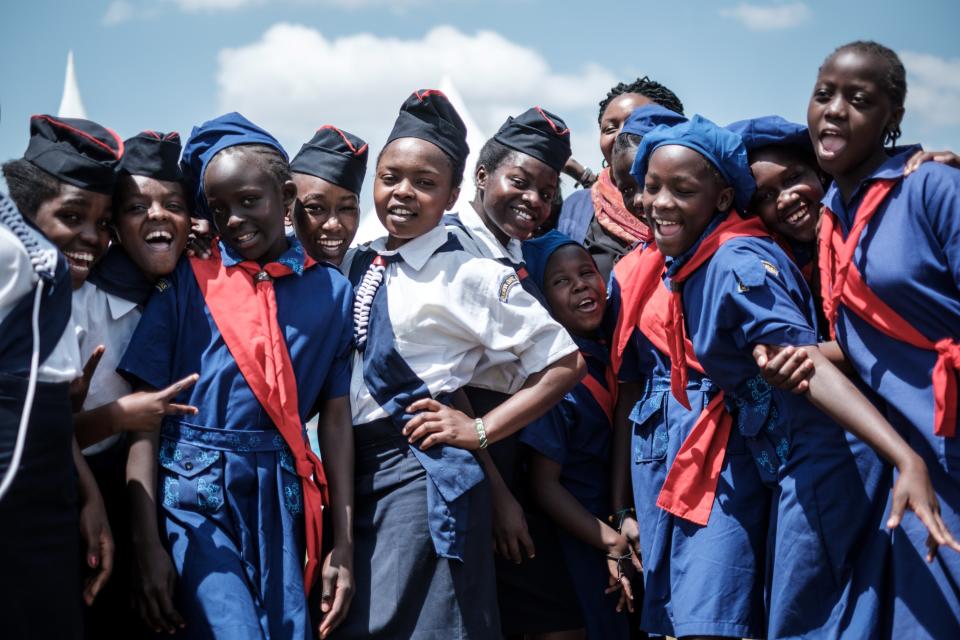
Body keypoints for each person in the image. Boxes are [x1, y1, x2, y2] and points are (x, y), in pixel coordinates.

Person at [631, 113, 955, 638]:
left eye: (682, 189)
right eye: (652, 188)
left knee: (814, 618)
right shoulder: (705, 261)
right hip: (789, 458)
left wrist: (904, 456)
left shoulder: (734, 264)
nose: (662, 203)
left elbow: (803, 365)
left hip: (824, 455)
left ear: (718, 200)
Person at [336, 89, 585, 639]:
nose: (403, 193)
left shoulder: (469, 271)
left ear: (451, 194)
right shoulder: (364, 257)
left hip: (421, 475)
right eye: (390, 176)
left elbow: (566, 362)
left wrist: (478, 430)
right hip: (359, 471)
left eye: (424, 183)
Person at [119, 112, 355, 639]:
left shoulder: (333, 293)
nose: (234, 220)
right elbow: (145, 417)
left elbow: (335, 421)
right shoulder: (189, 276)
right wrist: (146, 543)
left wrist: (344, 544)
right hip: (191, 497)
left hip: (281, 498)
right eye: (218, 209)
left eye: (250, 200)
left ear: (288, 195)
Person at [809, 40, 960, 638]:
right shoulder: (829, 216)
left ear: (892, 118)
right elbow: (871, 342)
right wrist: (794, 354)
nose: (836, 110)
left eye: (859, 99)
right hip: (907, 460)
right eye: (824, 95)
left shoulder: (932, 190)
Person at [446, 106, 587, 638]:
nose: (536, 202)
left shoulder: (510, 251)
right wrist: (499, 491)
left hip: (510, 448)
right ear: (482, 177)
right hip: (479, 452)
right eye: (521, 183)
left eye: (548, 193)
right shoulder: (453, 251)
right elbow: (447, 386)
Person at [67, 130, 198, 638]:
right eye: (136, 207)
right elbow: (38, 433)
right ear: (116, 228)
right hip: (80, 492)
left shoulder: (195, 289)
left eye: (174, 204)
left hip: (172, 498)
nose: (157, 215)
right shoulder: (80, 300)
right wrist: (119, 416)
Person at [0, 114, 121, 638]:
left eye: (104, 222)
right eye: (72, 215)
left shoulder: (48, 283)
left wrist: (88, 495)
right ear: (26, 210)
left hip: (51, 514)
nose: (90, 238)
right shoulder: (22, 263)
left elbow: (38, 413)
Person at [520, 231, 632, 640]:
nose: (580, 284)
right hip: (582, 539)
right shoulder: (554, 381)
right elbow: (544, 486)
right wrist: (611, 543)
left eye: (586, 272)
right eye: (560, 281)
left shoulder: (610, 355)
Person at [556, 77, 685, 280]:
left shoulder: (693, 200)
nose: (621, 135)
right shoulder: (578, 208)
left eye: (636, 122)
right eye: (610, 128)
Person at [290, 125, 368, 265]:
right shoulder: (261, 276)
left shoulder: (370, 273)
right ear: (286, 212)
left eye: (346, 208)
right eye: (316, 208)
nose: (333, 225)